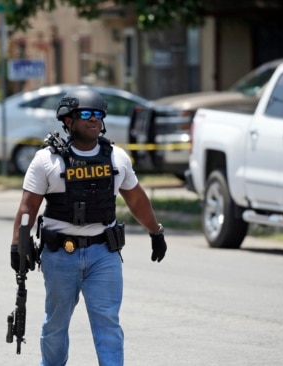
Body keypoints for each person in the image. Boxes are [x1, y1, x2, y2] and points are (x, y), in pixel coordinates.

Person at [10, 86, 168, 366]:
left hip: (104, 254)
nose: (94, 119)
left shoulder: (117, 158)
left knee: (108, 323)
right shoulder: (47, 160)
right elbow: (28, 208)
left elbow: (136, 199)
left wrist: (156, 231)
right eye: (86, 114)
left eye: (98, 114)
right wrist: (17, 247)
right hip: (60, 255)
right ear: (68, 120)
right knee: (55, 326)